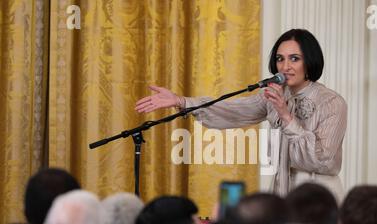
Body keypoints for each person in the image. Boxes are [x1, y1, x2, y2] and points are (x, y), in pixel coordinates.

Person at [135, 29, 347, 201]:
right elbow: (231, 111)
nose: (285, 66)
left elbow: (323, 159)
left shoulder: (331, 102)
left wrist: (287, 117)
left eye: (294, 58)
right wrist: (182, 101)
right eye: (280, 59)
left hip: (319, 201)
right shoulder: (274, 96)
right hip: (284, 196)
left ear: (309, 62)